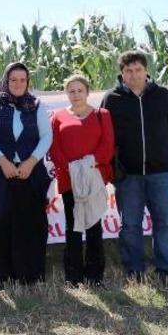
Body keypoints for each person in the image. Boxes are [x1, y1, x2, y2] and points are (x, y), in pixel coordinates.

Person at [101, 51, 168, 283]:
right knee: (130, 224)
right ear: (122, 74)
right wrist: (111, 166)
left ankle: (165, 268)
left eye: (138, 70)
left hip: (162, 173)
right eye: (128, 71)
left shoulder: (163, 96)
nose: (134, 75)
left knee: (165, 222)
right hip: (128, 175)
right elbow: (106, 137)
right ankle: (134, 270)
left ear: (146, 71)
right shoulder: (112, 99)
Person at [0, 62, 52, 288]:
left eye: (23, 80)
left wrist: (31, 162)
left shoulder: (36, 106)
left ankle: (29, 275)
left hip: (30, 173)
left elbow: (46, 136)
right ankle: (1, 274)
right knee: (0, 224)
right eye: (13, 80)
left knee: (30, 223)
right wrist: (2, 161)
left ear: (28, 82)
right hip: (0, 175)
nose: (18, 84)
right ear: (6, 81)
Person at [49, 74, 115, 286]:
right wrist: (71, 168)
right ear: (66, 93)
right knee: (73, 226)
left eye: (80, 90)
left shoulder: (101, 114)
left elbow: (107, 145)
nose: (76, 95)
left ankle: (95, 276)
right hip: (70, 180)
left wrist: (89, 164)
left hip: (94, 178)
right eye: (71, 91)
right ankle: (74, 276)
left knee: (94, 226)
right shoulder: (58, 117)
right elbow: (55, 148)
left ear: (87, 92)